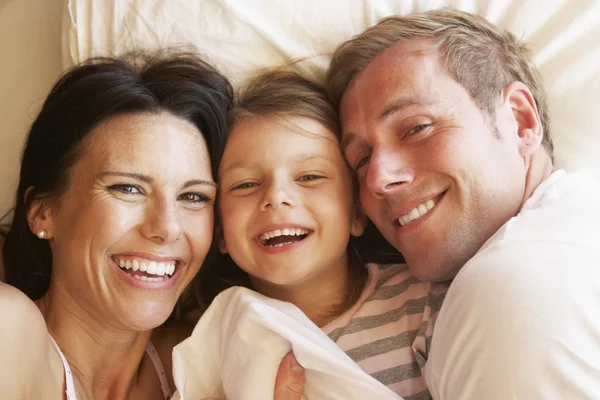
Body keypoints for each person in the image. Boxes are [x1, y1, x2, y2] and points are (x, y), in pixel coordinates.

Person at [278, 7, 600, 399]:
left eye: (416, 128)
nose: (378, 178)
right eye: (361, 160)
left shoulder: (511, 285)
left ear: (520, 121)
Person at [191, 68, 445, 398]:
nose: (275, 196)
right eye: (246, 184)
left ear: (356, 212)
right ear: (220, 229)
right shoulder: (212, 343)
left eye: (310, 177)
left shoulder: (425, 306)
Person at [0, 51, 235, 399]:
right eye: (127, 188)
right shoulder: (8, 327)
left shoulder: (207, 358)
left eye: (194, 197)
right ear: (42, 212)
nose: (167, 228)